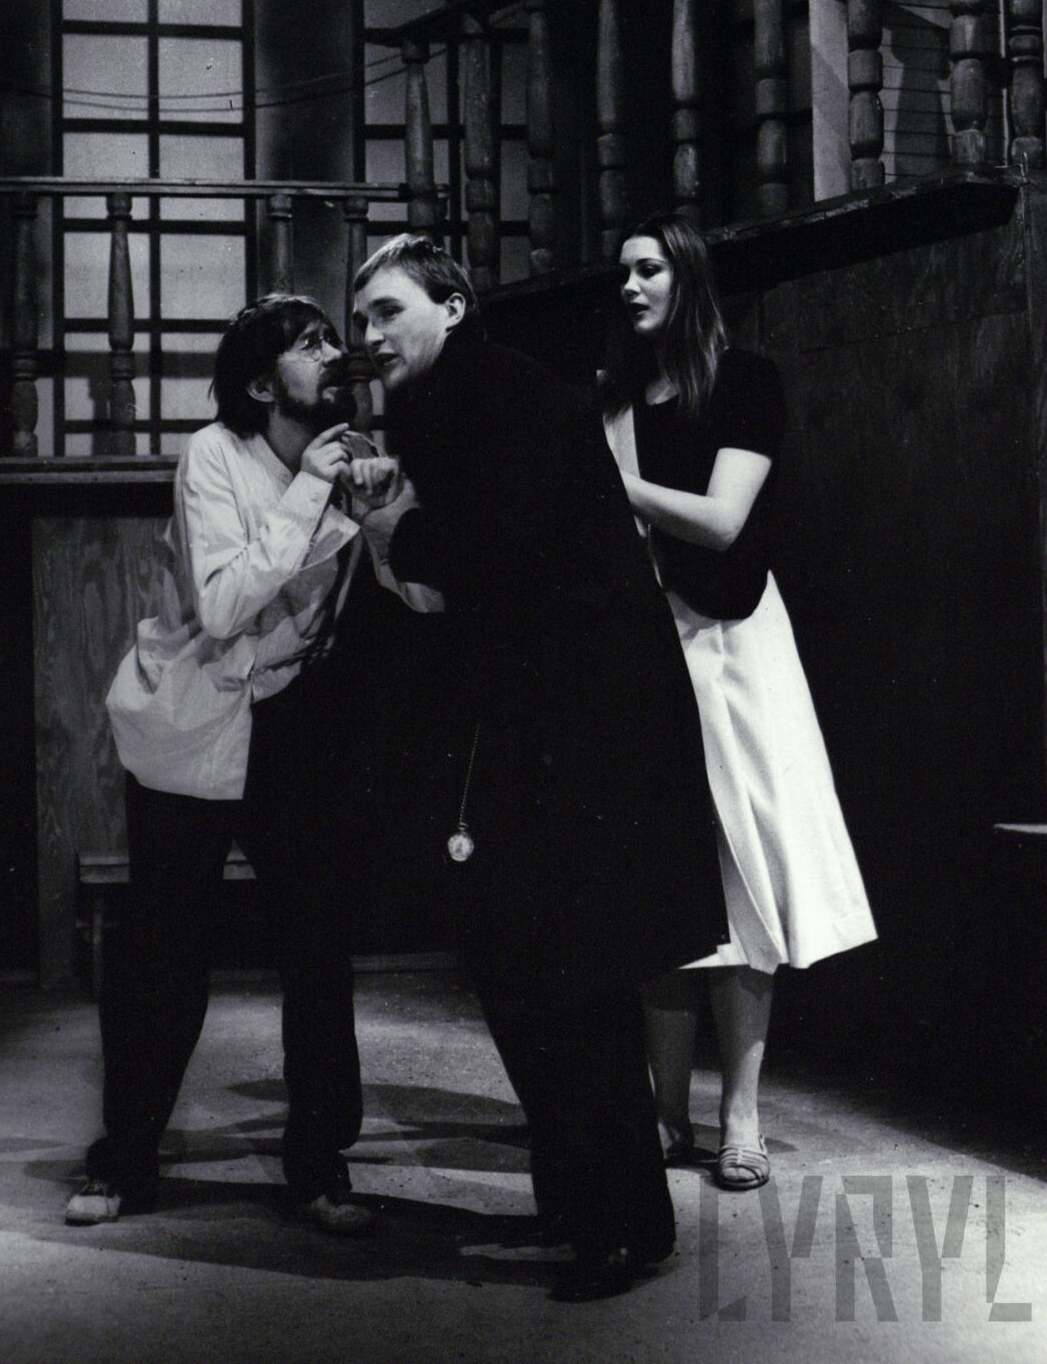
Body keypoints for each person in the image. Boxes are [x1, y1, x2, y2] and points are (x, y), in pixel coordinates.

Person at [351, 233, 728, 1302]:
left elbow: (491, 552)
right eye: (361, 317)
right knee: (534, 972)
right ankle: (588, 1210)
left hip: (581, 726)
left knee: (563, 976)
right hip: (545, 717)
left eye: (387, 311)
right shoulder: (450, 398)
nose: (369, 334)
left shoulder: (497, 393)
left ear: (453, 306)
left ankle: (616, 1224)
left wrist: (393, 529)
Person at [66, 294, 430, 1234]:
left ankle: (317, 1165)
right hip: (197, 719)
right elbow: (225, 605)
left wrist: (379, 514)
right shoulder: (213, 456)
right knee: (163, 951)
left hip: (296, 720)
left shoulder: (355, 459)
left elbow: (420, 599)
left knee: (316, 944)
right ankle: (125, 1158)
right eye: (310, 344)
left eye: (333, 337)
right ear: (264, 385)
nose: (336, 352)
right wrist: (311, 492)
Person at [601, 212, 877, 1192]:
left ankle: (741, 1116)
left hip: (732, 642)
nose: (630, 285)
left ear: (687, 279)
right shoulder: (615, 397)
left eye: (648, 269)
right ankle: (664, 1113)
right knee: (658, 878)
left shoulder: (744, 380)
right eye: (623, 271)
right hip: (647, 647)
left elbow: (721, 522)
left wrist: (614, 488)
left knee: (745, 876)